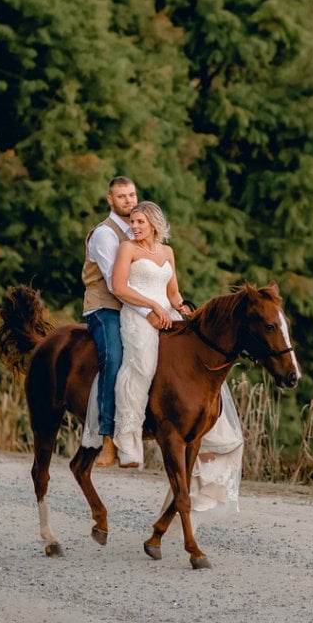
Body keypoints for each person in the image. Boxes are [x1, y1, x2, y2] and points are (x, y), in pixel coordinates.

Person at [111, 201, 244, 518]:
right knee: (142, 365)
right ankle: (128, 437)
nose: (135, 226)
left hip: (168, 315)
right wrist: (151, 307)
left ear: (155, 223)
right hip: (137, 315)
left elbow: (173, 294)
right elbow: (118, 288)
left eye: (140, 221)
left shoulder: (167, 253)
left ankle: (206, 428)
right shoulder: (127, 249)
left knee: (194, 363)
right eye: (132, 221)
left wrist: (184, 309)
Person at [82, 176, 138, 467]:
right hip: (105, 307)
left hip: (135, 307)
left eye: (131, 195)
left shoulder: (141, 229)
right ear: (110, 200)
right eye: (122, 196)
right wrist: (148, 308)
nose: (128, 201)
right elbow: (114, 284)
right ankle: (106, 438)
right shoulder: (105, 234)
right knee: (114, 358)